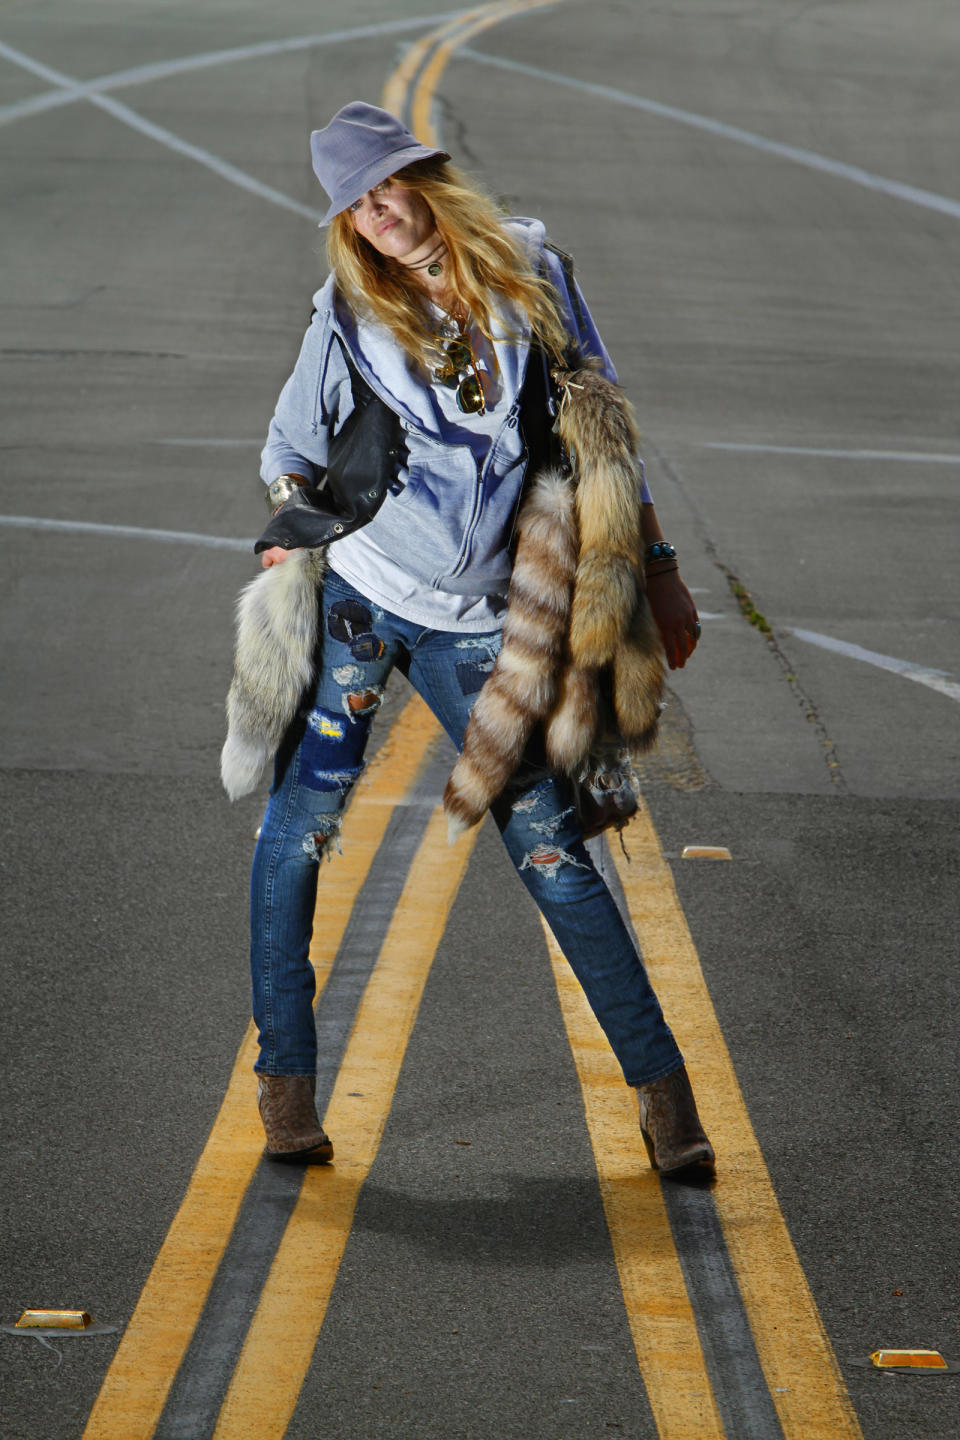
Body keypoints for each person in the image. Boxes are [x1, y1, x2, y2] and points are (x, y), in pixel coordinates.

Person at [221, 102, 714, 1178]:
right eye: (353, 204)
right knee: (297, 834)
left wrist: (663, 575)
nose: (375, 213)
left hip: (488, 621)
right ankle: (286, 1085)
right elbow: (291, 443)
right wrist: (287, 530)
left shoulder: (531, 273)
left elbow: (602, 432)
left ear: (427, 178)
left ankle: (665, 1098)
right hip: (363, 593)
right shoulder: (347, 308)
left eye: (386, 185)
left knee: (553, 852)